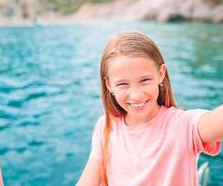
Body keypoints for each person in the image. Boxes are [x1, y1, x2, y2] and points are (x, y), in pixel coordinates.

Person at [76, 31, 223, 186]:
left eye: (145, 80)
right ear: (109, 85)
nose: (136, 95)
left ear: (161, 74)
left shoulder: (183, 125)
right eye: (123, 84)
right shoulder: (106, 126)